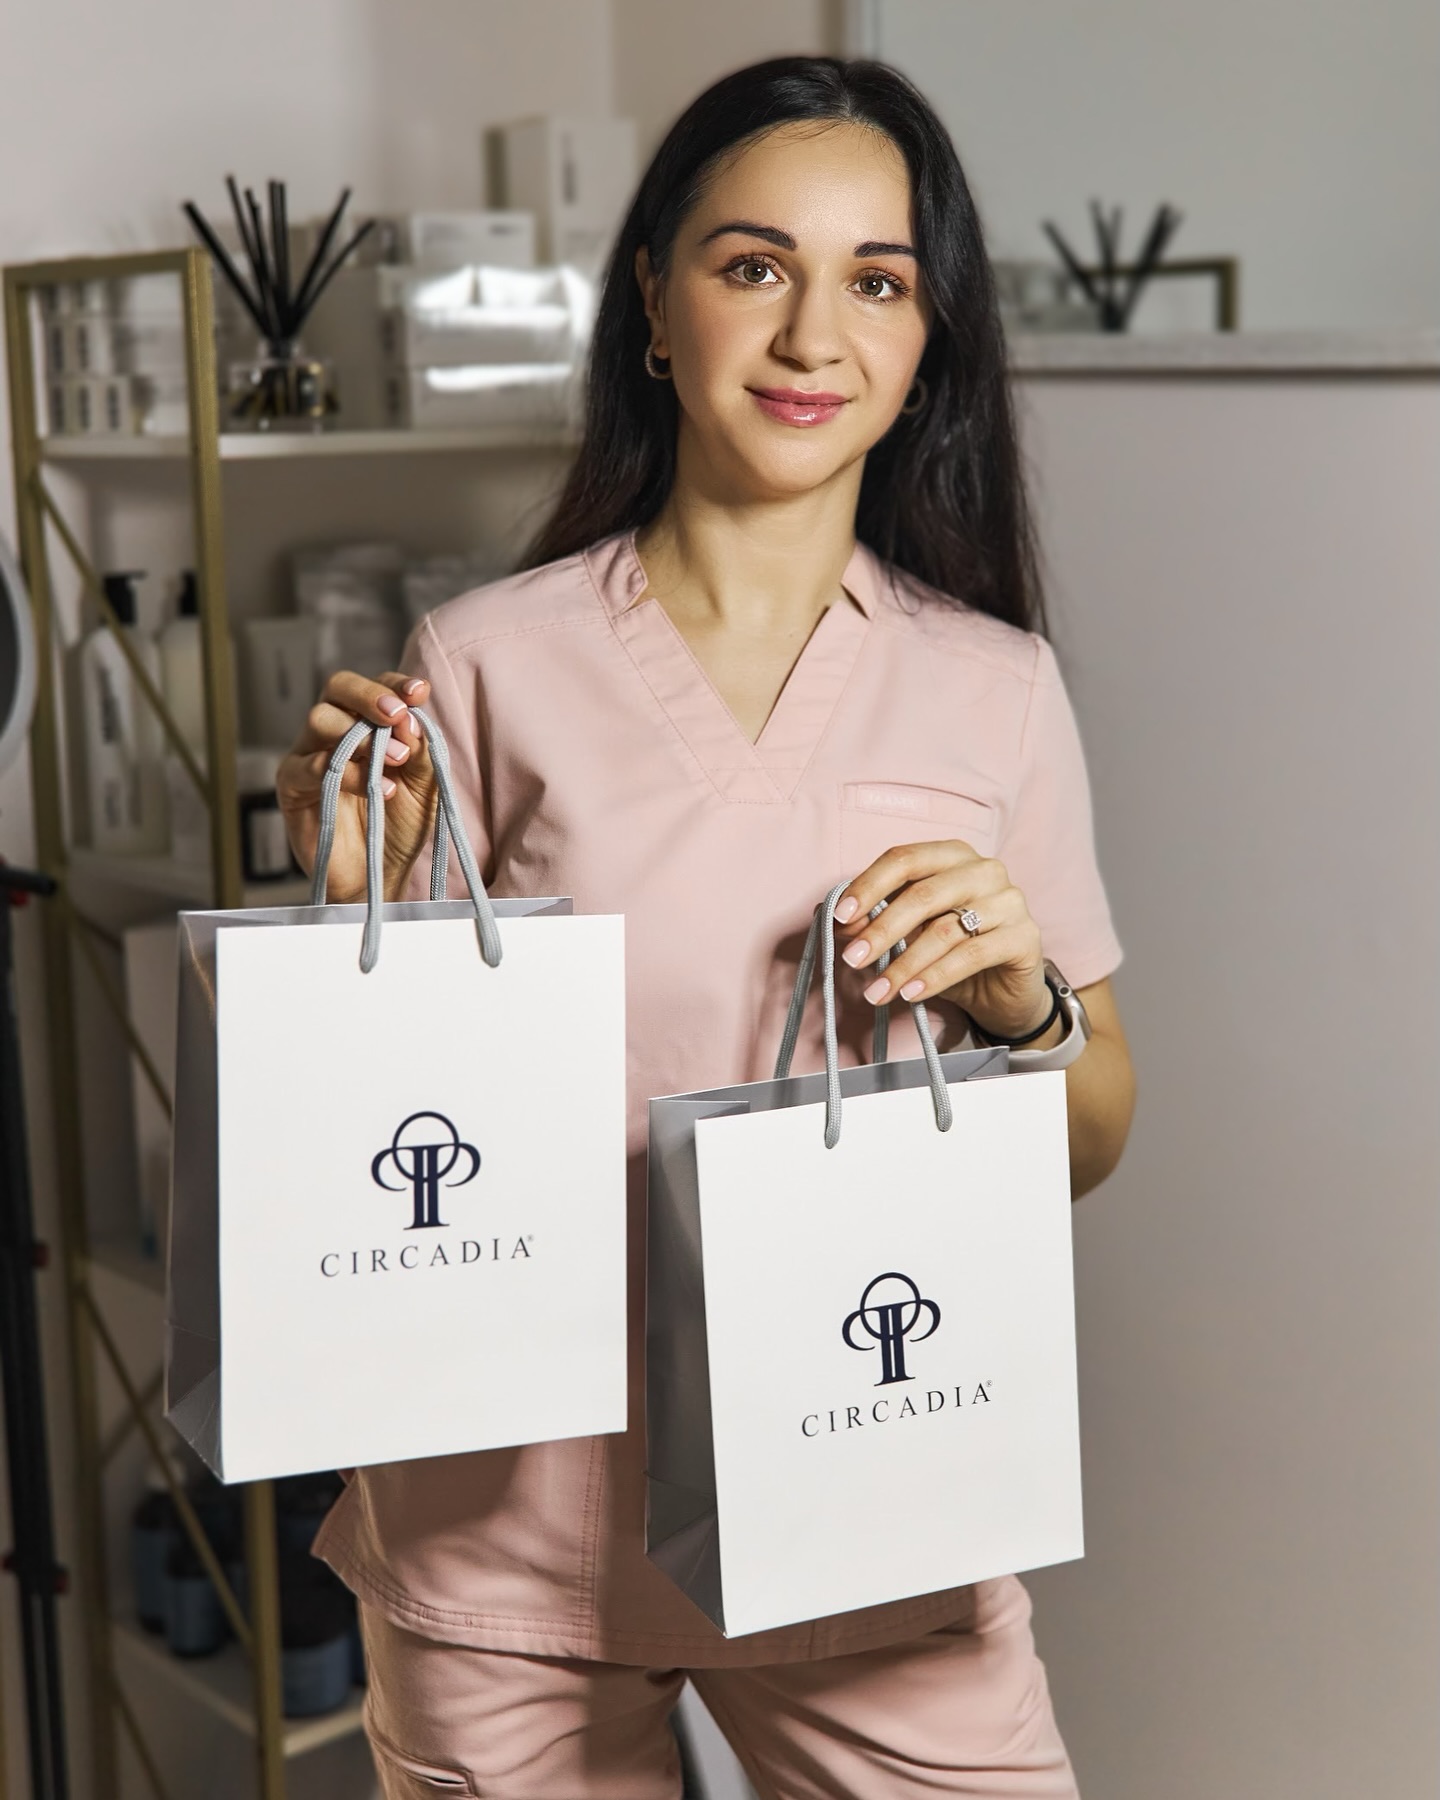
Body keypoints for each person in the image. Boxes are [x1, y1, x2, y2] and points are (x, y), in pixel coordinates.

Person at [279, 55, 1136, 1800]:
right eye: (756, 266)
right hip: (505, 1534)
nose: (814, 333)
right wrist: (353, 932)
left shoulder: (996, 690)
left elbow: (1097, 1125)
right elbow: (374, 1140)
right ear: (657, 314)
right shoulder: (483, 664)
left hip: (871, 1507)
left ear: (924, 348)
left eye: (877, 283)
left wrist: (1017, 1005)